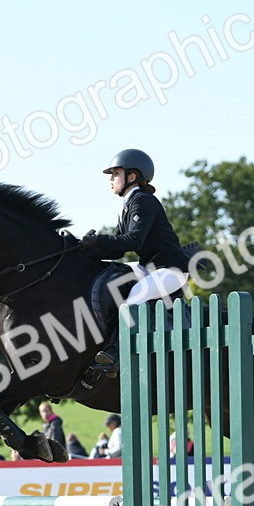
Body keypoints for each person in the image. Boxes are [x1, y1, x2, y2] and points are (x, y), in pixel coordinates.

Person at [76, 149, 193, 377]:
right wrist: (86, 250)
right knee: (111, 275)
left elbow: (133, 240)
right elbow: (118, 250)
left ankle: (116, 352)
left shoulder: (144, 201)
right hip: (149, 266)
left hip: (171, 270)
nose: (111, 179)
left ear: (131, 176)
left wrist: (99, 239)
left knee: (136, 297)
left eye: (115, 173)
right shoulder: (127, 205)